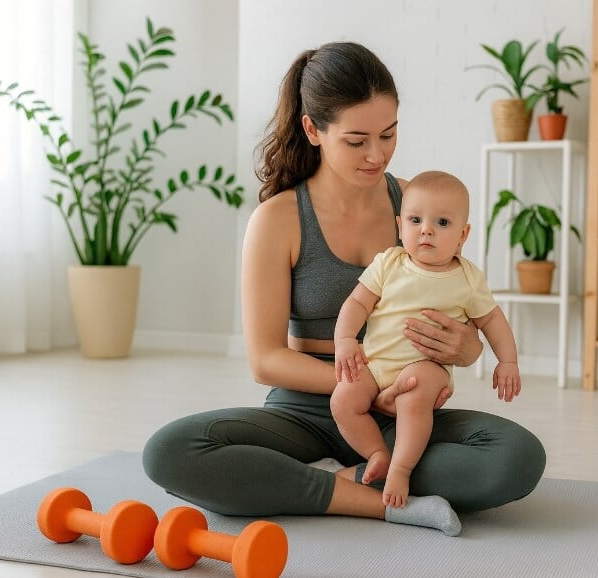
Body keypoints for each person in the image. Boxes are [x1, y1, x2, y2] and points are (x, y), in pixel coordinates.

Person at [142, 41, 545, 537]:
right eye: (357, 141)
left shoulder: (416, 208)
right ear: (313, 129)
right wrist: (363, 387)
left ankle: (321, 482)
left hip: (404, 408)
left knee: (517, 457)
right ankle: (376, 499)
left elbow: (467, 308)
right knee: (171, 451)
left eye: (389, 134)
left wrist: (467, 350)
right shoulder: (279, 219)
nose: (376, 154)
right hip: (307, 410)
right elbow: (265, 359)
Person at [331, 170, 521, 509]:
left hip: (425, 368)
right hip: (374, 364)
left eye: (442, 223)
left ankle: (402, 469)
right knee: (343, 400)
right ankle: (378, 454)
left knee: (414, 397)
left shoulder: (467, 277)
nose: (426, 230)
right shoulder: (389, 263)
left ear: (463, 234)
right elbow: (358, 302)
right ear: (400, 225)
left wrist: (507, 361)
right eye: (415, 220)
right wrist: (345, 339)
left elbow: (492, 320)